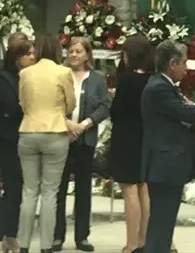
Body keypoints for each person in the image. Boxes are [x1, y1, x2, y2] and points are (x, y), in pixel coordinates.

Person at [141, 40, 195, 253]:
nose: (186, 68)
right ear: (172, 64)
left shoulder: (164, 86)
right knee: (161, 224)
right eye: (184, 62)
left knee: (164, 224)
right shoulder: (160, 88)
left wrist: (190, 112)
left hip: (168, 165)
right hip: (165, 165)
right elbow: (190, 114)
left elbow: (187, 119)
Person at [16, 34, 75, 253]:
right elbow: (71, 103)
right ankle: (46, 246)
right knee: (50, 192)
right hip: (55, 131)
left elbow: (22, 103)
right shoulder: (63, 72)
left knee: (29, 190)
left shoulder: (25, 73)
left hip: (28, 131)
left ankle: (23, 244)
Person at [53, 38, 110, 253]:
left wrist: (84, 125)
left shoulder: (97, 78)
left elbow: (104, 106)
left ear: (87, 55)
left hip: (85, 139)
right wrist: (68, 125)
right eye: (71, 51)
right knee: (58, 189)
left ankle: (82, 236)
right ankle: (57, 236)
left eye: (79, 51)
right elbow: (53, 103)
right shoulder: (60, 75)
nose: (74, 55)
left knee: (83, 189)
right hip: (62, 138)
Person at [0, 36, 35, 253]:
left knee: (20, 192)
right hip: (9, 140)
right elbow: (11, 108)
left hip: (27, 137)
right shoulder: (3, 78)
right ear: (17, 57)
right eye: (28, 54)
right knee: (12, 190)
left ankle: (10, 235)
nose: (32, 58)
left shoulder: (28, 76)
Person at [110, 36, 154, 253]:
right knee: (143, 188)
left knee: (129, 192)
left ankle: (131, 243)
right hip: (145, 138)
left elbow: (116, 112)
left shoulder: (128, 81)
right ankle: (144, 239)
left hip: (126, 139)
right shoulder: (152, 79)